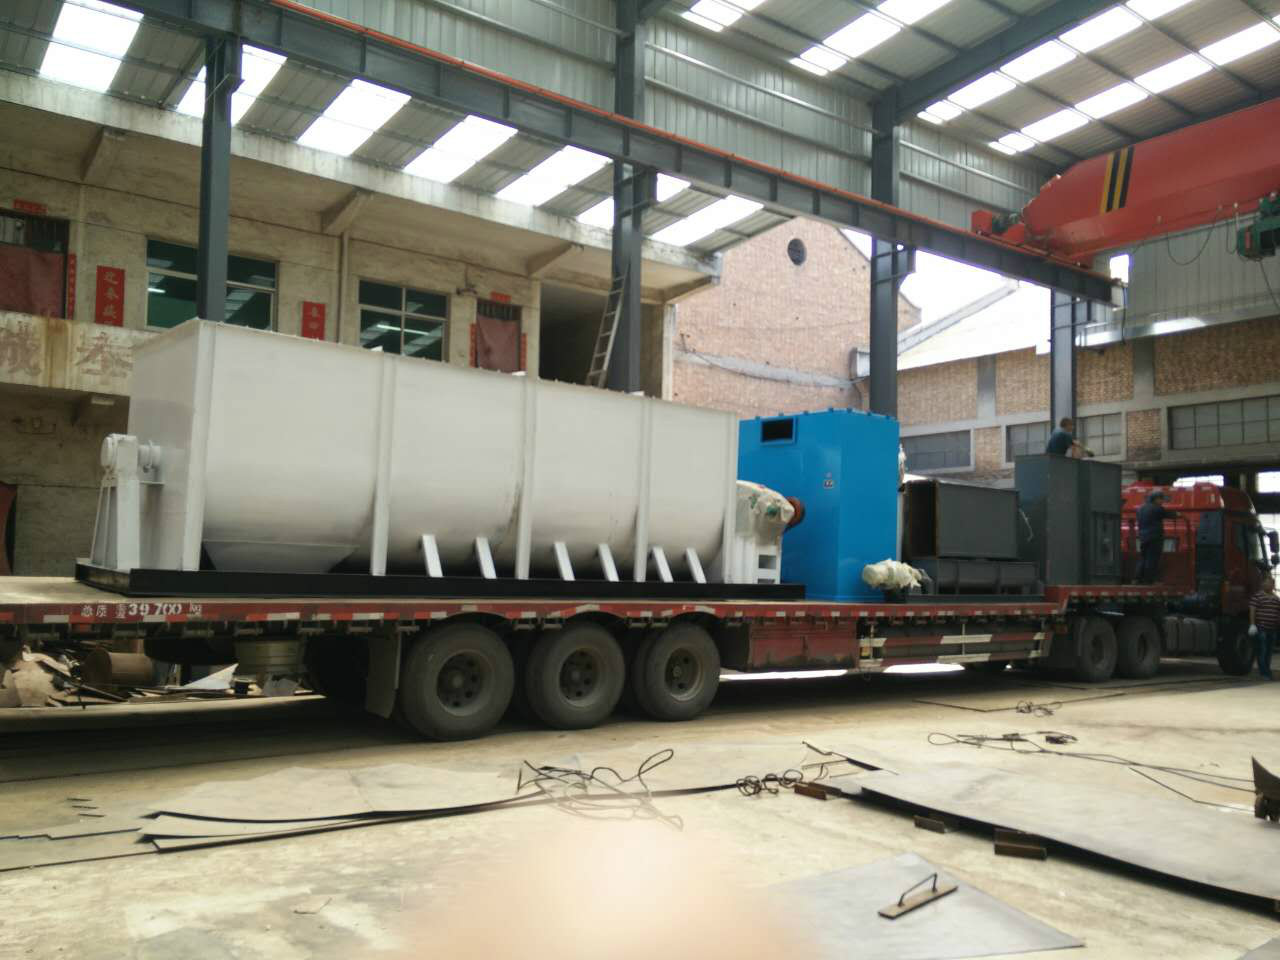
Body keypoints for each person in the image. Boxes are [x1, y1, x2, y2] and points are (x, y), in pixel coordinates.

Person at [1136, 490, 1177, 584]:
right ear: (1156, 499)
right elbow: (1169, 514)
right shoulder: (1157, 508)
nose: (1162, 501)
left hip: (1143, 536)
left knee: (1143, 557)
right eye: (1161, 499)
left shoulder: (1140, 508)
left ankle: (1138, 578)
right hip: (1155, 537)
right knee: (1152, 558)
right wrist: (1177, 514)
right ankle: (1148, 580)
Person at [1249, 574, 1279, 680]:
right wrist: (1252, 624)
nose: (1268, 584)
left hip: (1273, 629)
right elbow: (1252, 610)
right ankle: (1264, 673)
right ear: (1262, 584)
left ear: (1273, 585)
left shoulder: (1276, 599)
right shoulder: (1257, 596)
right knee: (1262, 650)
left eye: (1270, 583)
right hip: (1261, 628)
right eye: (1266, 582)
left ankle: (1267, 671)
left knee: (1269, 652)